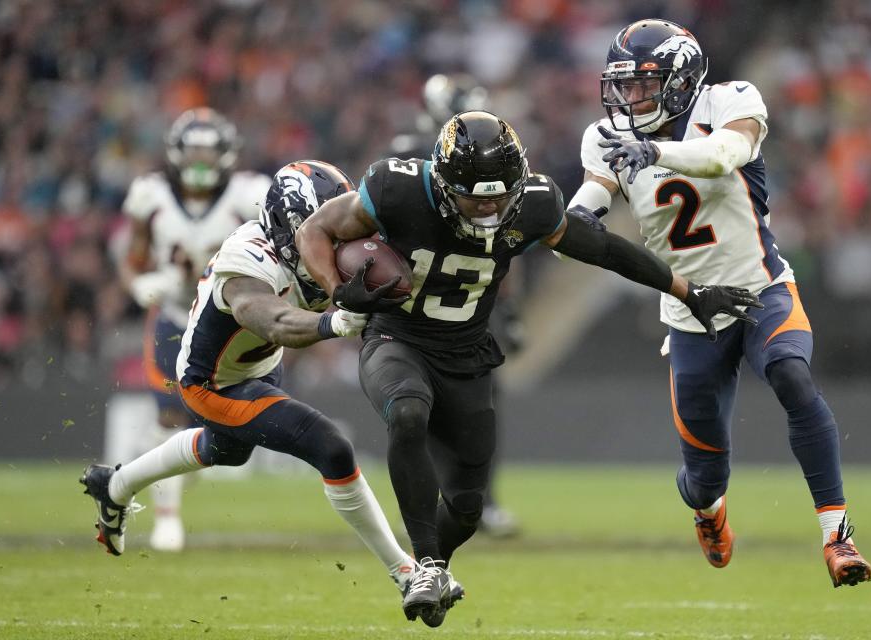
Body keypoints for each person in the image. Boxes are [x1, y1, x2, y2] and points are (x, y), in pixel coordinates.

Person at [296, 110, 760, 626]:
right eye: (477, 198)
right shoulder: (396, 189)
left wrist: (687, 291)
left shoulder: (534, 205)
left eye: (500, 196)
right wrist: (339, 294)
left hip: (467, 355)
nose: (491, 209)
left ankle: (437, 565)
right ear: (445, 184)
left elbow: (602, 248)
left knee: (468, 506)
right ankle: (422, 565)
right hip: (397, 337)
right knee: (407, 412)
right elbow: (316, 229)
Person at [576, 18, 871, 587]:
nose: (631, 97)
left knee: (792, 376)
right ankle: (708, 513)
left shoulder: (730, 101)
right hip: (691, 315)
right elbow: (595, 195)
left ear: (681, 80)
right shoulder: (605, 136)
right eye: (624, 86)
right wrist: (573, 217)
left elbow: (720, 155)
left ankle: (838, 536)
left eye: (645, 84)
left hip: (761, 289)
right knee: (704, 476)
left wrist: (653, 148)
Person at [82, 160, 417, 598]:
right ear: (292, 224)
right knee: (330, 446)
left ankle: (115, 486)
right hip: (213, 381)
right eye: (327, 228)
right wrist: (332, 324)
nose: (340, 238)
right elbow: (273, 321)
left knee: (228, 449)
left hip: (258, 366)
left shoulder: (326, 244)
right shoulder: (248, 258)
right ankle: (406, 572)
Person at [115, 108, 272, 551]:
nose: (201, 162)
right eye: (194, 151)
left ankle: (167, 486)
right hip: (173, 316)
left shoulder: (249, 194)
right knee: (169, 415)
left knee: (219, 430)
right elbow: (133, 257)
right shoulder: (152, 194)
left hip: (230, 322)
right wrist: (140, 284)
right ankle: (168, 517)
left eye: (209, 151)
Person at [390, 73, 522, 539]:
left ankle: (481, 500)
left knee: (480, 404)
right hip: (420, 296)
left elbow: (511, 232)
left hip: (475, 296)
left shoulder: (496, 164)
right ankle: (432, 502)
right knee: (419, 403)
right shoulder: (410, 155)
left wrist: (512, 306)